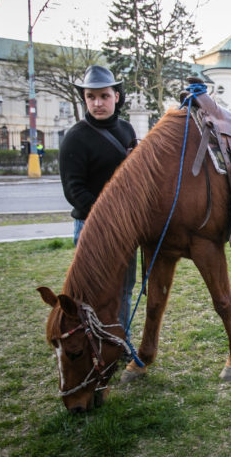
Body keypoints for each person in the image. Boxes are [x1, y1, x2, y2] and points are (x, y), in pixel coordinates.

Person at [59, 65, 137, 332]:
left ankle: (121, 341)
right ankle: (92, 344)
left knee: (123, 290)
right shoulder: (75, 138)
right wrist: (108, 218)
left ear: (117, 96)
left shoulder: (127, 130)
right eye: (91, 97)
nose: (97, 103)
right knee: (92, 295)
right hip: (91, 227)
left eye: (104, 96)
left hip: (125, 229)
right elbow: (74, 191)